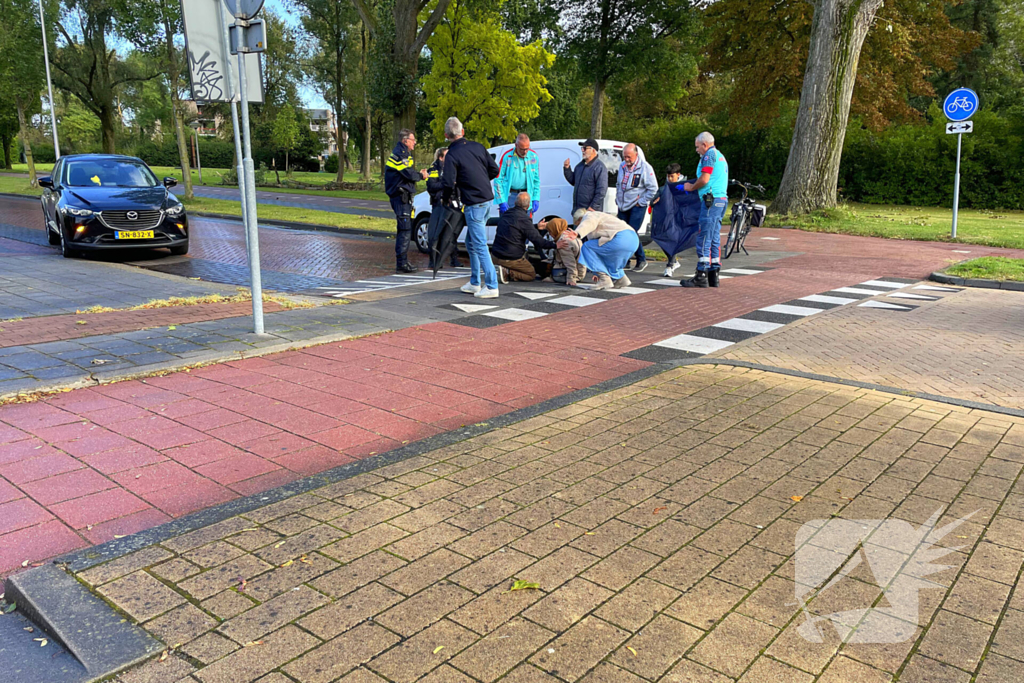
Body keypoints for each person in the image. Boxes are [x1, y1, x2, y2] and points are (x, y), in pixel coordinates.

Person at [442, 116, 501, 299]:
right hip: (486, 199)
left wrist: (445, 200)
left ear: (446, 135)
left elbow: (448, 182)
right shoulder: (478, 147)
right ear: (463, 132)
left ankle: (491, 285)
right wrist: (481, 182)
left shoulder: (452, 155)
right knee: (471, 242)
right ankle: (475, 282)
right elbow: (494, 170)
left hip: (473, 202)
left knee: (480, 244)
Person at [681, 131, 729, 288]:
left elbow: (705, 178)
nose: (696, 151)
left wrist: (691, 187)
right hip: (721, 200)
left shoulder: (709, 156)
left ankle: (701, 274)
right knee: (714, 236)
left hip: (711, 200)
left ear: (704, 144)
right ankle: (713, 274)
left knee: (704, 235)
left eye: (697, 147)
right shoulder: (720, 156)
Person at [558, 209, 639, 291]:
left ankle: (604, 279)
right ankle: (622, 278)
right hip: (633, 239)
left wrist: (578, 232)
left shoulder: (589, 215)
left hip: (620, 239)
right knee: (606, 255)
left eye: (579, 224)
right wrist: (595, 272)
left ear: (580, 219)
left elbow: (589, 222)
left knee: (587, 247)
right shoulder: (603, 216)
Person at [384, 128, 428, 273]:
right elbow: (408, 174)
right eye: (412, 140)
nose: (414, 142)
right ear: (405, 140)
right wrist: (421, 176)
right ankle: (402, 263)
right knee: (405, 229)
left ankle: (402, 261)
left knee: (405, 229)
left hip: (403, 195)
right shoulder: (400, 154)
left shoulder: (404, 154)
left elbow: (408, 172)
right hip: (400, 196)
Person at [491, 192, 557, 283]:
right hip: (510, 258)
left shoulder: (507, 214)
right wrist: (555, 245)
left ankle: (502, 268)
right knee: (530, 274)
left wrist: (536, 227)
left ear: (515, 202)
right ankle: (508, 272)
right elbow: (539, 241)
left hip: (495, 255)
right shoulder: (524, 219)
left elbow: (517, 228)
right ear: (528, 205)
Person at [616, 143, 658, 272]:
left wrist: (642, 201)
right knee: (623, 233)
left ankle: (641, 259)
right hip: (623, 205)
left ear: (636, 154)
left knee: (631, 232)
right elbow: (619, 184)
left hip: (637, 205)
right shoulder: (622, 166)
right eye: (624, 157)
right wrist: (617, 199)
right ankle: (626, 260)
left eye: (629, 157)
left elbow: (653, 188)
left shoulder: (645, 168)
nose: (626, 159)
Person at [425, 148, 463, 270]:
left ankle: (454, 259)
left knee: (452, 232)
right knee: (436, 233)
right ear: (441, 157)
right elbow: (431, 186)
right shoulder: (434, 169)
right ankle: (434, 261)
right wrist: (447, 184)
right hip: (439, 204)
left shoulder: (453, 168)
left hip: (453, 204)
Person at [652, 163, 688, 276]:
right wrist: (654, 202)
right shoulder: (663, 189)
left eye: (672, 176)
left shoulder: (685, 187)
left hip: (678, 220)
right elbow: (653, 201)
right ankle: (674, 261)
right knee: (663, 241)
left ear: (678, 175)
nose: (670, 179)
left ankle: (670, 265)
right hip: (665, 219)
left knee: (672, 240)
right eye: (668, 176)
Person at [494, 134, 541, 216]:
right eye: (522, 149)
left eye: (527, 149)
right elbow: (498, 179)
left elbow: (536, 180)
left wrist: (536, 198)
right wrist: (501, 200)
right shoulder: (507, 156)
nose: (525, 152)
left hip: (527, 195)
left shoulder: (533, 156)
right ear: (516, 145)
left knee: (525, 226)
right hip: (511, 195)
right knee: (508, 225)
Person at [563, 138, 607, 216]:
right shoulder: (579, 166)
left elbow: (601, 191)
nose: (582, 150)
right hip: (578, 211)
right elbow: (573, 181)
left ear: (593, 150)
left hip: (591, 212)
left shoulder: (599, 167)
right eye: (582, 148)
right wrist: (567, 169)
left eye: (585, 148)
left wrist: (593, 207)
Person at [540, 217, 586, 287]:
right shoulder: (572, 236)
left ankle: (556, 278)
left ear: (555, 230)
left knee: (541, 267)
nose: (549, 234)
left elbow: (570, 262)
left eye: (550, 231)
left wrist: (571, 279)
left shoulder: (563, 242)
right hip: (580, 272)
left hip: (564, 273)